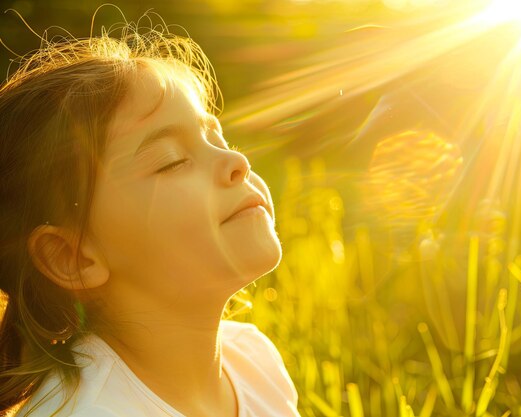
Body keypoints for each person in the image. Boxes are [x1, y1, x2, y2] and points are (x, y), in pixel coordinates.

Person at [0, 7, 300, 417]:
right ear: (72, 257)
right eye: (172, 160)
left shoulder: (253, 363)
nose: (235, 161)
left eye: (217, 137)